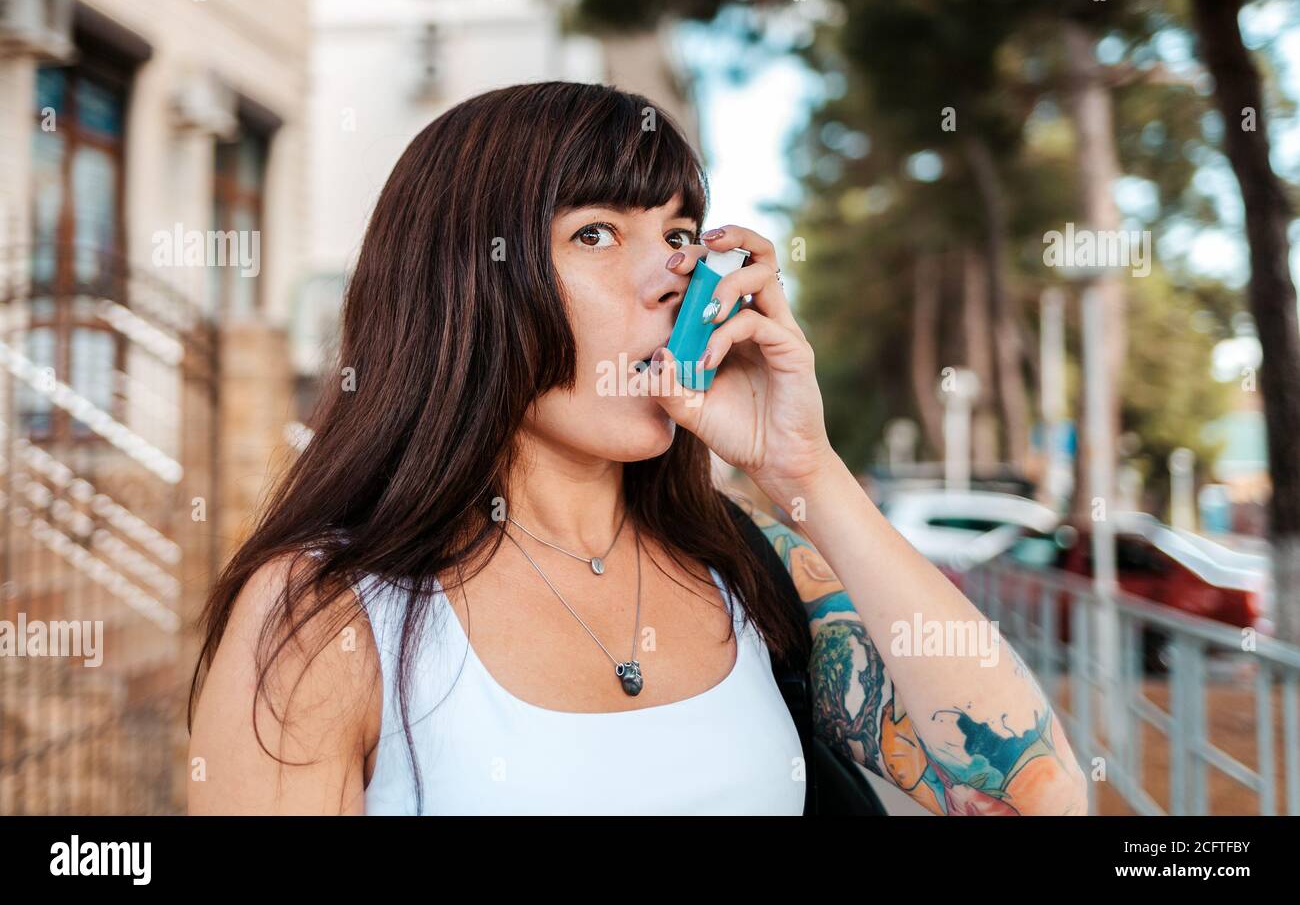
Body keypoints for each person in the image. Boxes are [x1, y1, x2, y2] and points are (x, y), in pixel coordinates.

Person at [186, 81, 1088, 815]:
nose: (674, 276)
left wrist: (803, 470)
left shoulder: (748, 567)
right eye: (595, 232)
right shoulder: (325, 619)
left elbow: (1031, 794)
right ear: (462, 287)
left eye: (681, 235)